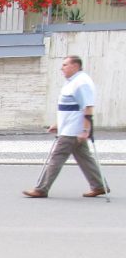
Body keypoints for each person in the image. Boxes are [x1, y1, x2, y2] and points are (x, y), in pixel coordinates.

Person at [23, 56, 108, 198]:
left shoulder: (82, 82)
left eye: (65, 65)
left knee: (57, 157)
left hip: (73, 130)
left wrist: (85, 130)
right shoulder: (73, 82)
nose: (62, 68)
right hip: (70, 128)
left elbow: (87, 107)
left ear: (75, 66)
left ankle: (41, 189)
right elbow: (68, 107)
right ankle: (99, 186)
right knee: (85, 158)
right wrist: (58, 124)